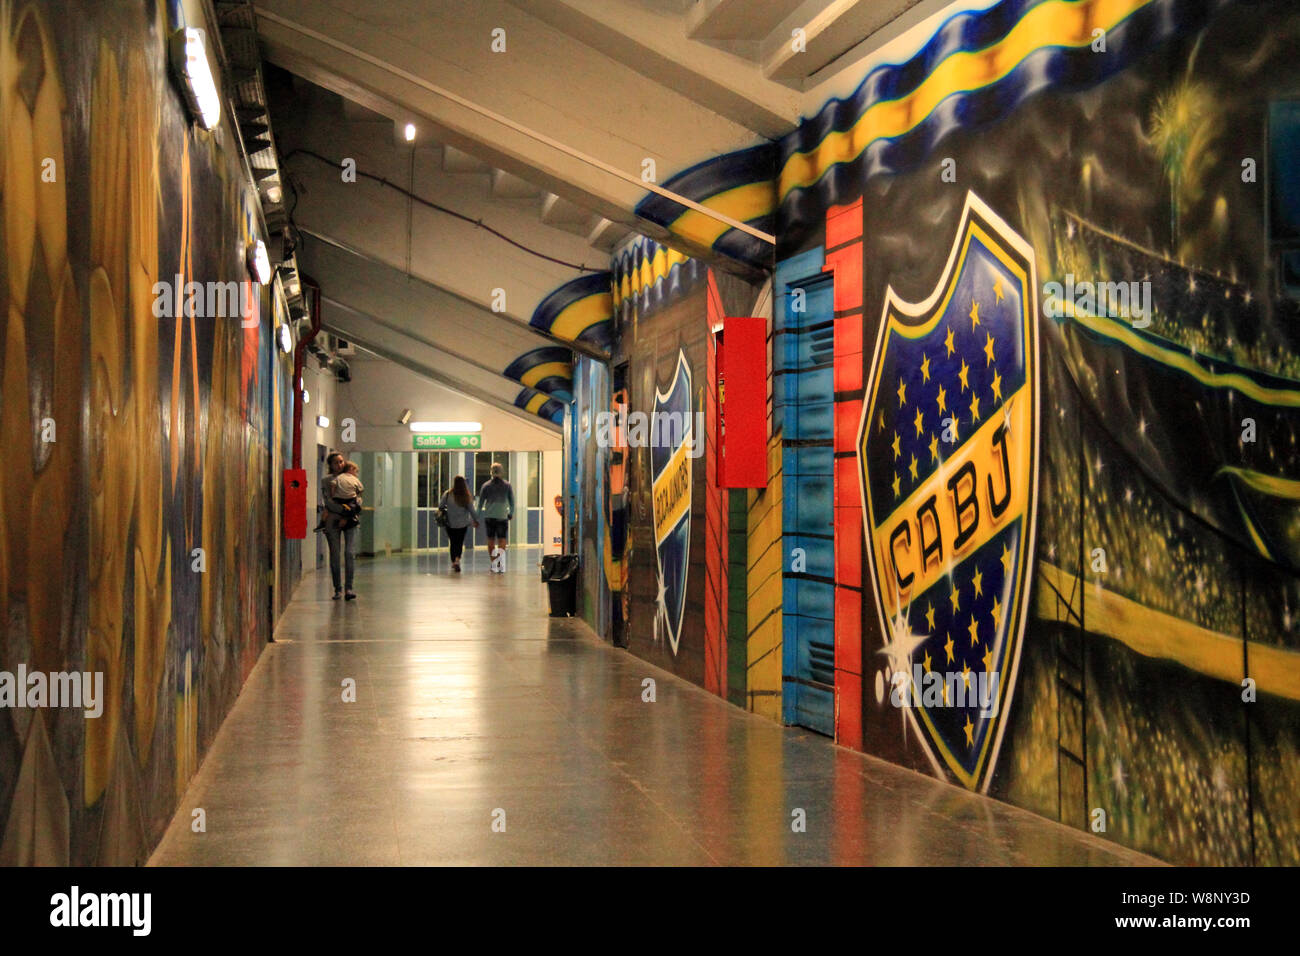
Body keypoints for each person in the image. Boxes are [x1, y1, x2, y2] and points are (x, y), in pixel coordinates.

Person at [321, 451, 363, 600]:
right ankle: (337, 589)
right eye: (335, 463)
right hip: (333, 520)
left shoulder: (351, 478)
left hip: (351, 520)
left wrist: (348, 515)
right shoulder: (326, 481)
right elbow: (329, 501)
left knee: (349, 553)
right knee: (335, 554)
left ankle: (349, 588)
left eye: (341, 461)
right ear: (330, 465)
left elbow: (358, 500)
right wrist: (342, 514)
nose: (339, 465)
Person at [476, 462, 515, 573]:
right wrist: (511, 513)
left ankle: (494, 563)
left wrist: (476, 518)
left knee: (491, 540)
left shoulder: (486, 486)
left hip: (490, 517)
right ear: (502, 471)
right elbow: (512, 502)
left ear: (491, 472)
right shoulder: (507, 485)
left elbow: (480, 505)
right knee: (502, 540)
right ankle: (499, 560)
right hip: (502, 517)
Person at [438, 475, 479, 573]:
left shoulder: (447, 494)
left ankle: (453, 561)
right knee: (459, 542)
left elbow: (440, 506)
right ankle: (457, 559)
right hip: (463, 524)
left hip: (450, 523)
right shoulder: (466, 496)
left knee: (453, 542)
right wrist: (476, 520)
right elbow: (472, 510)